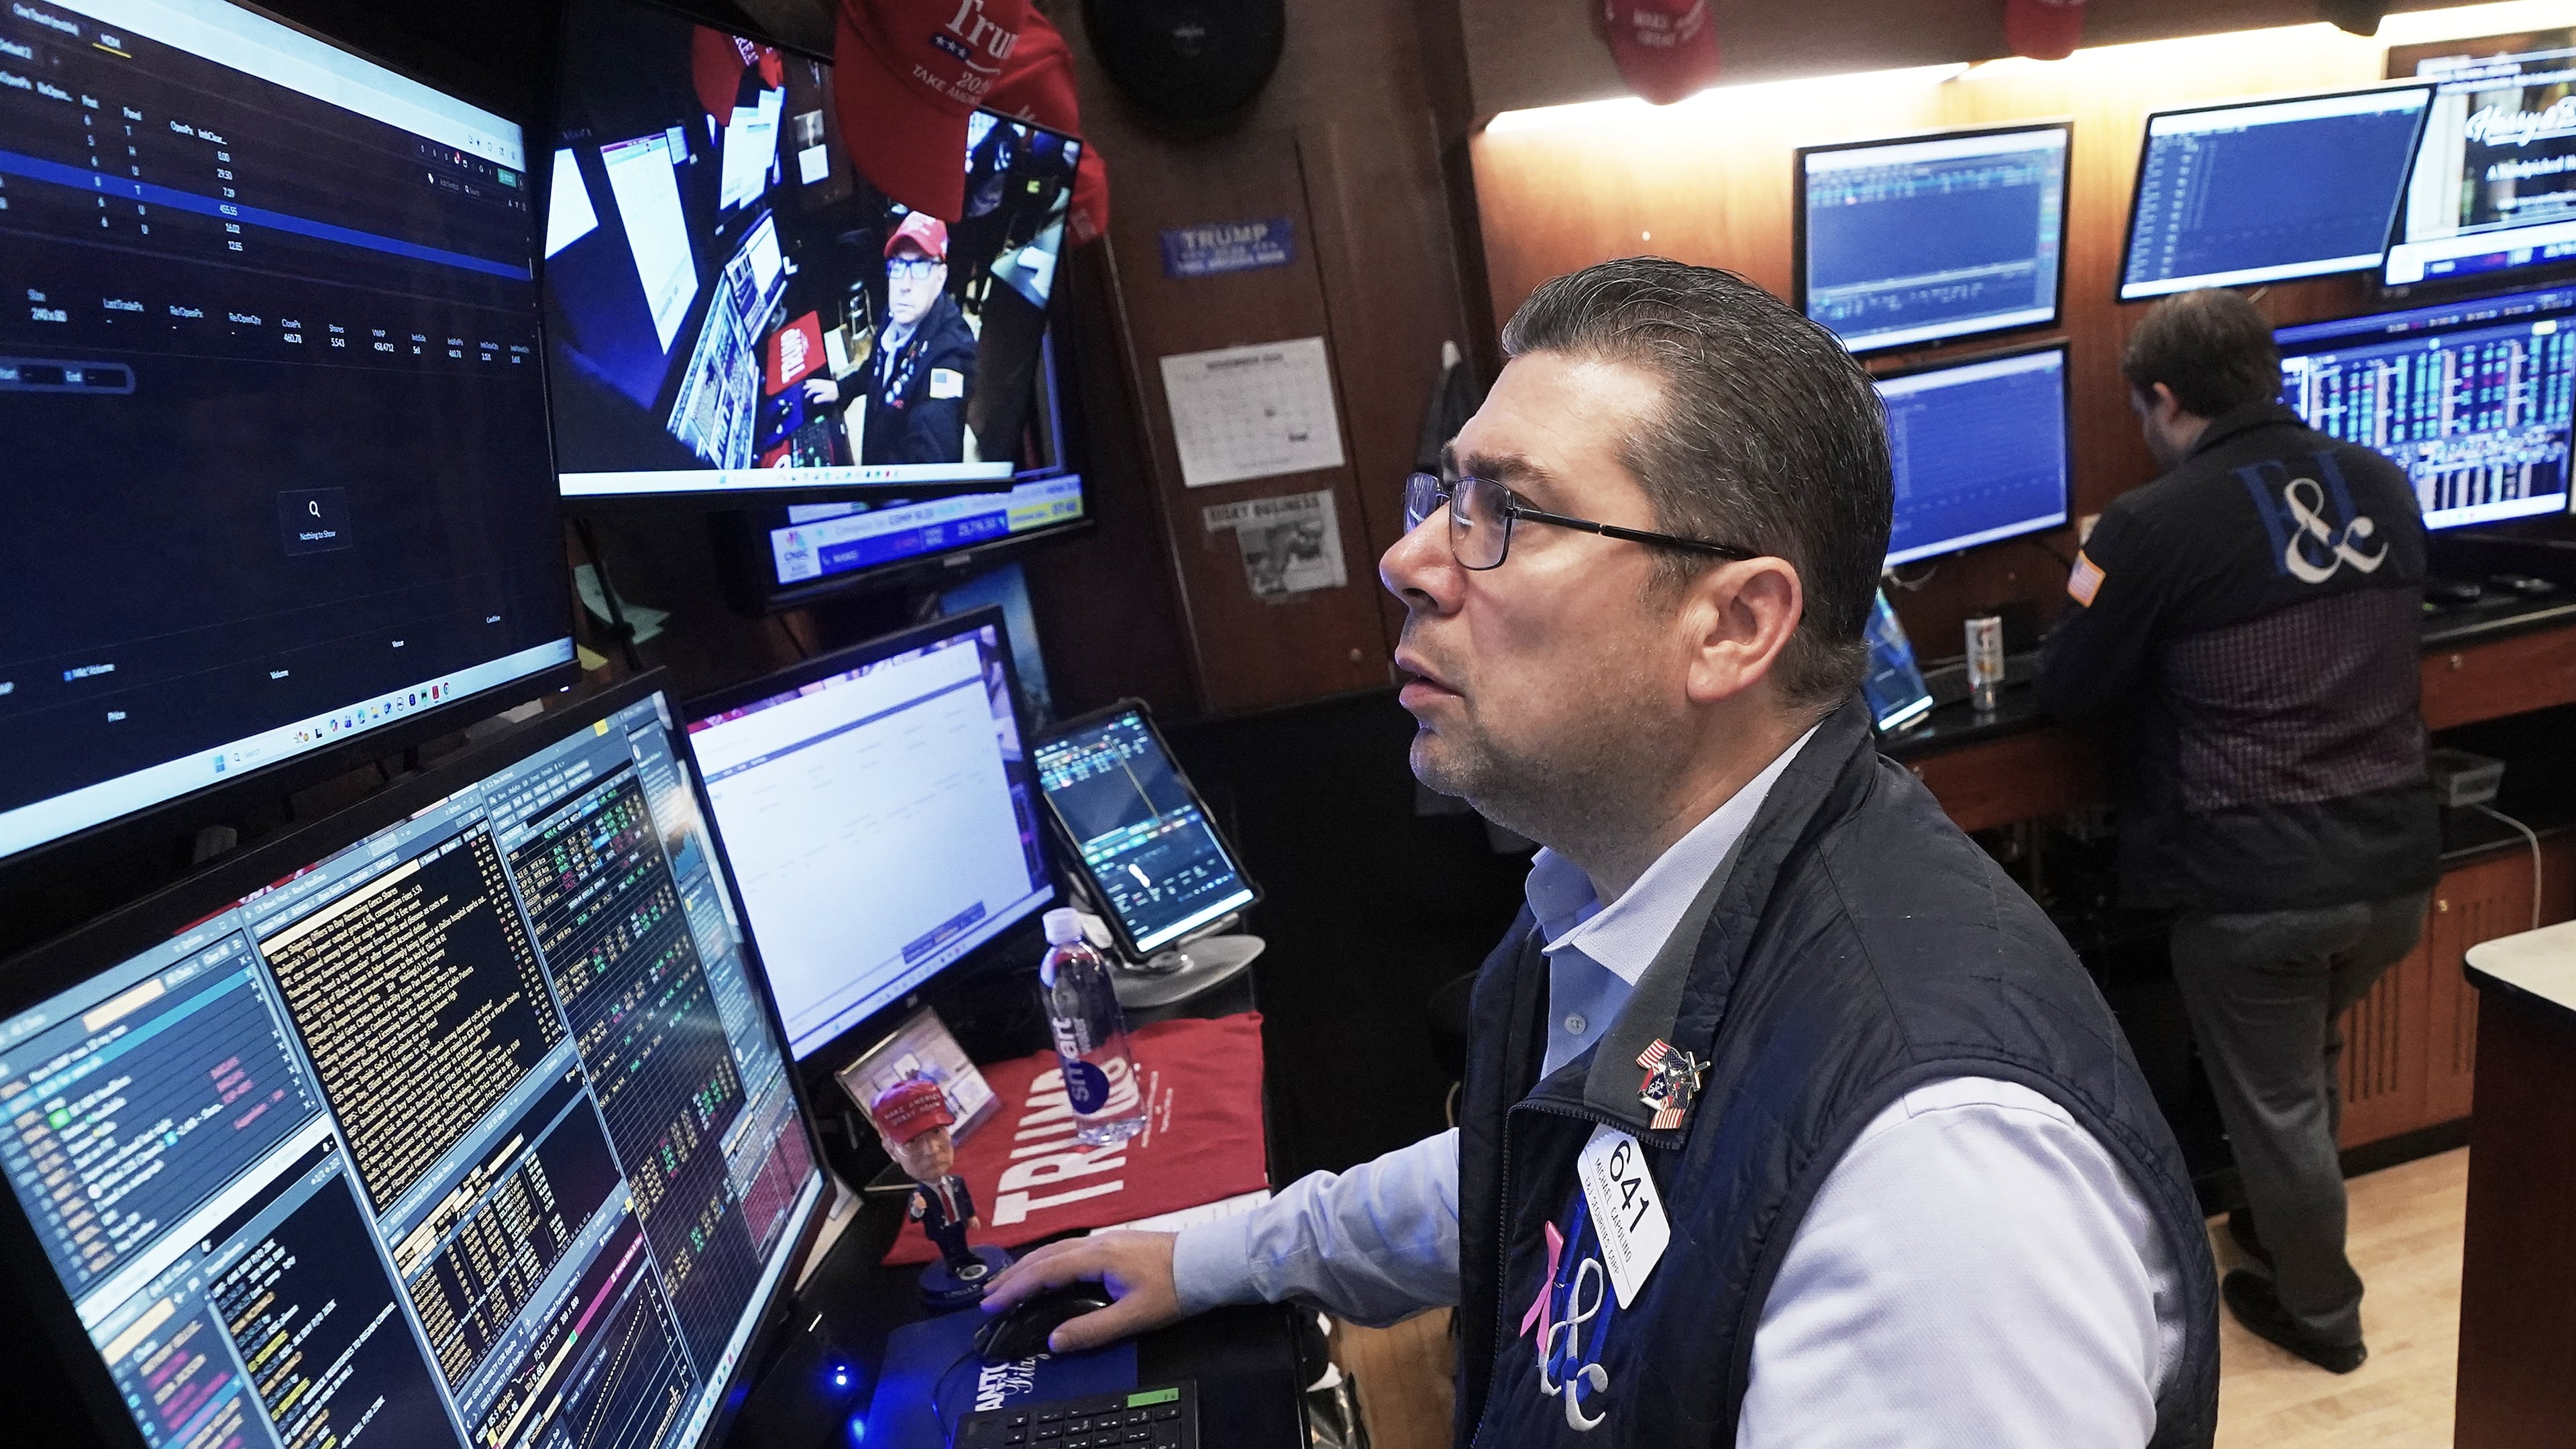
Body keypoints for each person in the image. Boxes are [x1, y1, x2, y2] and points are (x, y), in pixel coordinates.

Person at [983, 258, 2220, 1446]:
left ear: (1733, 624)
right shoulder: (1615, 888)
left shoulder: (1945, 1188)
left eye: (1503, 511)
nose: (1408, 562)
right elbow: (1542, 1172)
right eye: (1444, 496)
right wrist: (1219, 1256)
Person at [2038, 288, 2436, 1375]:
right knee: (2302, 1063)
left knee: (2278, 1103)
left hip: (2260, 889)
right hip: (2398, 876)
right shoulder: (2386, 485)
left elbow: (2071, 689)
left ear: (2163, 399)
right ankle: (2276, 1222)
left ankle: (2323, 1315)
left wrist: (2092, 578)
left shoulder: (2151, 526)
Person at [804, 212, 978, 464]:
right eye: (898, 266)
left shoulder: (951, 355)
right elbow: (877, 364)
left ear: (940, 278)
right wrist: (842, 389)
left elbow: (933, 461)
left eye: (920, 267)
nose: (904, 284)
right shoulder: (899, 312)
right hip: (876, 456)